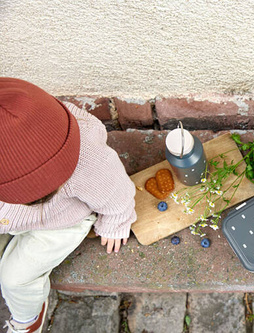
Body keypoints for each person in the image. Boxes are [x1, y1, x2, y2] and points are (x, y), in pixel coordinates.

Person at [0, 78, 137, 333]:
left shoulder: (85, 158)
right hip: (11, 218)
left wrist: (117, 219)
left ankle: (27, 318)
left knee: (15, 279)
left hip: (60, 221)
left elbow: (115, 189)